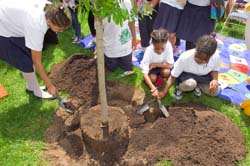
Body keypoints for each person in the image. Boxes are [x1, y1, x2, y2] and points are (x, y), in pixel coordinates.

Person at [0, 0, 71, 99]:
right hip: (3, 29)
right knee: (25, 61)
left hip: (13, 19)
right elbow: (37, 62)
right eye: (59, 29)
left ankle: (31, 87)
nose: (62, 31)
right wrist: (50, 85)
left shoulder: (52, 9)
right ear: (49, 22)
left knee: (27, 57)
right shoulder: (37, 26)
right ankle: (37, 92)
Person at [155, 34, 220, 100]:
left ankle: (197, 86)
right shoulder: (185, 57)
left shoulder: (216, 57)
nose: (199, 60)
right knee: (190, 84)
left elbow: (215, 69)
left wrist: (215, 79)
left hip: (203, 77)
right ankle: (180, 88)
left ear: (211, 56)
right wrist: (164, 91)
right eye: (197, 57)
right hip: (186, 75)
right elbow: (173, 76)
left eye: (203, 60)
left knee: (215, 91)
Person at [103, 0, 137, 74]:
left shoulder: (126, 3)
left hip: (125, 46)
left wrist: (134, 39)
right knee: (112, 68)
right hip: (110, 48)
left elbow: (131, 22)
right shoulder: (100, 7)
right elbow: (98, 30)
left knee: (127, 67)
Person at [140, 29, 174, 96]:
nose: (160, 51)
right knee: (152, 79)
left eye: (162, 48)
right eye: (157, 49)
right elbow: (144, 73)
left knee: (166, 73)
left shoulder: (168, 46)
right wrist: (153, 89)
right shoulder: (149, 50)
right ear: (153, 44)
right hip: (152, 68)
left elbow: (170, 65)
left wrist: (155, 64)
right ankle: (156, 78)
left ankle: (159, 77)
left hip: (163, 65)